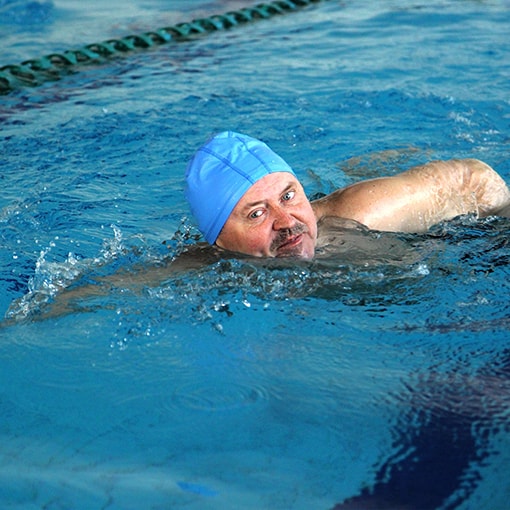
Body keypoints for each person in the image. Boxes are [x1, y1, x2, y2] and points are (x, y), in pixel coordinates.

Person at [186, 131, 510, 259]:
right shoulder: (206, 264)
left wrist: (496, 242)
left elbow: (475, 179)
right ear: (220, 241)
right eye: (257, 213)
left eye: (288, 197)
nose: (288, 222)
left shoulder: (363, 214)